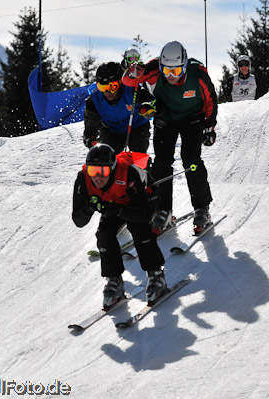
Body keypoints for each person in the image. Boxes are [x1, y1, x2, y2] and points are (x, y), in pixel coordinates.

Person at [123, 40, 218, 234]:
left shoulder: (197, 73)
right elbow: (129, 81)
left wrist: (209, 126)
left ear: (184, 66)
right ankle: (162, 210)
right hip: (165, 116)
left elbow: (210, 99)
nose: (171, 76)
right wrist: (133, 72)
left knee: (191, 160)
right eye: (167, 72)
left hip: (192, 117)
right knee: (161, 163)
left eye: (175, 71)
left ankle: (202, 208)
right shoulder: (153, 69)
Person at [72, 144, 167, 306]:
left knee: (140, 230)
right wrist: (88, 207)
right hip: (113, 203)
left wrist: (118, 210)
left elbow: (144, 215)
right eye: (92, 171)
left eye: (103, 171)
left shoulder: (128, 174)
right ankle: (114, 279)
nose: (98, 177)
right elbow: (78, 221)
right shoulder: (83, 179)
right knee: (104, 234)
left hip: (141, 199)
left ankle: (156, 274)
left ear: (113, 169)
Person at [83, 62, 155, 154]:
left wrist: (148, 108)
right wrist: (90, 139)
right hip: (111, 131)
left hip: (137, 128)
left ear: (121, 83)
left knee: (138, 156)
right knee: (108, 157)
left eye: (112, 87)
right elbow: (90, 128)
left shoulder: (133, 91)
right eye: (102, 87)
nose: (108, 92)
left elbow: (153, 103)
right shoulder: (94, 101)